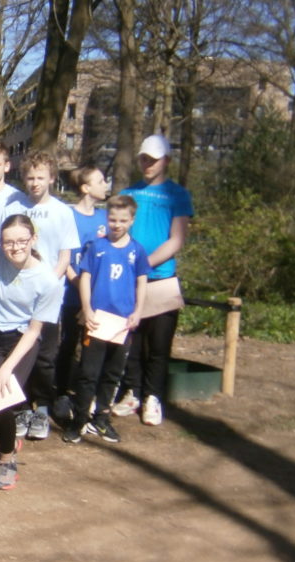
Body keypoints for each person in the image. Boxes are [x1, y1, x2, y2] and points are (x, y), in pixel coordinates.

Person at [0, 215, 62, 490]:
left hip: (21, 341)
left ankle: (6, 456)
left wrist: (6, 368)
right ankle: (9, 437)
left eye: (22, 241)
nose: (14, 248)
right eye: (8, 242)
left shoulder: (48, 281)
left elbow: (35, 331)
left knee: (0, 401)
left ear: (33, 239)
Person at [113, 135, 193, 426]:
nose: (147, 164)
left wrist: (144, 263)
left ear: (166, 161)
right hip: (130, 281)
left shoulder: (178, 195)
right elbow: (117, 229)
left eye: (153, 159)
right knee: (131, 342)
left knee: (158, 345)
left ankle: (153, 397)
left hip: (161, 279)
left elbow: (177, 239)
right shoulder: (128, 192)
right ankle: (132, 392)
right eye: (143, 158)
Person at [3, 151, 79, 441]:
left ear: (51, 178)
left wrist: (47, 284)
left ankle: (43, 408)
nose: (35, 183)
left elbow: (64, 256)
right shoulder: (14, 205)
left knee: (45, 357)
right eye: (30, 177)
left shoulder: (62, 211)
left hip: (48, 295)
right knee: (18, 353)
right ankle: (20, 407)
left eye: (40, 177)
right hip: (16, 295)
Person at [63, 195, 150, 444]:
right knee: (88, 372)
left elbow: (141, 282)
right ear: (106, 218)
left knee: (112, 373)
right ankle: (79, 419)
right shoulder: (97, 247)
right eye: (112, 219)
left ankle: (101, 418)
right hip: (97, 321)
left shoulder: (137, 250)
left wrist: (137, 312)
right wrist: (87, 309)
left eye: (123, 220)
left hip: (122, 323)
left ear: (132, 220)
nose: (117, 224)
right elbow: (86, 279)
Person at [54, 165, 109, 421]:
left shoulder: (105, 218)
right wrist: (79, 284)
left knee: (93, 347)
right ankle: (60, 392)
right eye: (100, 180)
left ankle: (89, 394)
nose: (105, 184)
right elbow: (64, 255)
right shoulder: (68, 215)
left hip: (98, 297)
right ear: (86, 188)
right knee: (68, 343)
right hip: (71, 293)